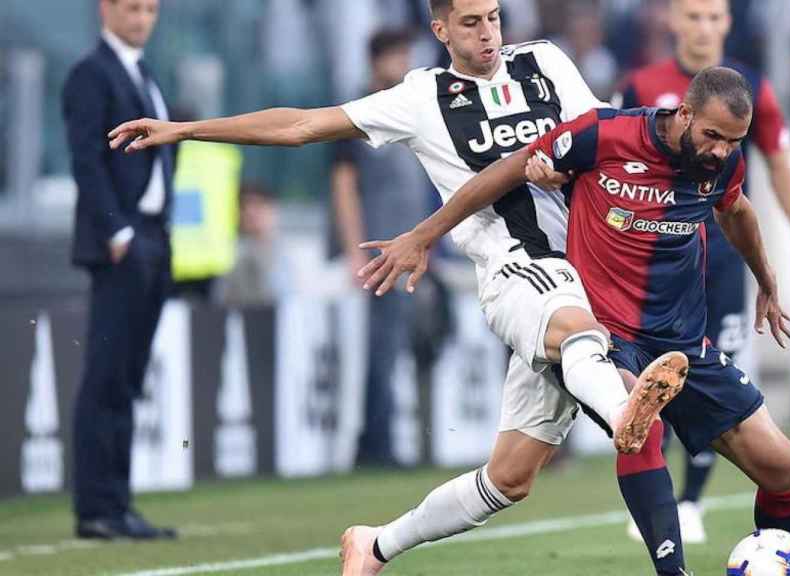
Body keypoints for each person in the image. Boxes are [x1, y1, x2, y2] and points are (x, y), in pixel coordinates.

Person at [107, 1, 687, 573]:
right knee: (589, 348)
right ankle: (622, 410)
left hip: (588, 269)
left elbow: (605, 141)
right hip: (517, 270)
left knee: (510, 478)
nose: (487, 33)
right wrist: (187, 129)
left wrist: (581, 172)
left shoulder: (547, 63)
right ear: (439, 30)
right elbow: (304, 124)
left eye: (494, 18)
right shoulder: (418, 99)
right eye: (470, 23)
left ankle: (375, 544)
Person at [362, 66, 790, 576]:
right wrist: (425, 235)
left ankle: (376, 545)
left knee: (787, 472)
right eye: (712, 136)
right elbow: (504, 172)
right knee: (639, 422)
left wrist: (768, 280)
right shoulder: (605, 134)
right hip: (603, 335)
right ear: (684, 113)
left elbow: (737, 213)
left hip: (685, 345)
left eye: (733, 142)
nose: (720, 151)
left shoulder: (721, 165)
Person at [611, 0, 790, 543]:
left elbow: (778, 162)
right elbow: (605, 156)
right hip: (651, 261)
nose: (703, 26)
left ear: (727, 23)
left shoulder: (753, 89)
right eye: (693, 16)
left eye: (714, 16)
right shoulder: (640, 84)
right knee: (652, 378)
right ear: (673, 21)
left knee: (710, 366)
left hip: (719, 257)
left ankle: (691, 501)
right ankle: (658, 488)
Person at [62, 0, 176, 540]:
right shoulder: (91, 74)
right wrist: (117, 231)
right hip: (124, 242)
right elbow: (86, 158)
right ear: (106, 9)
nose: (142, 18)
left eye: (151, 9)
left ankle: (119, 502)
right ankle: (96, 507)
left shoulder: (144, 73)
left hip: (153, 237)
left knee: (128, 376)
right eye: (132, 7)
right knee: (106, 375)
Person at [328, 28, 433, 466]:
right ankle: (375, 444)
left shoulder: (410, 112)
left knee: (410, 343)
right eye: (397, 55)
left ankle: (396, 440)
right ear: (376, 61)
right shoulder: (357, 114)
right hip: (378, 251)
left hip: (412, 248)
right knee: (381, 347)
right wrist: (354, 248)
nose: (404, 63)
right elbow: (344, 183)